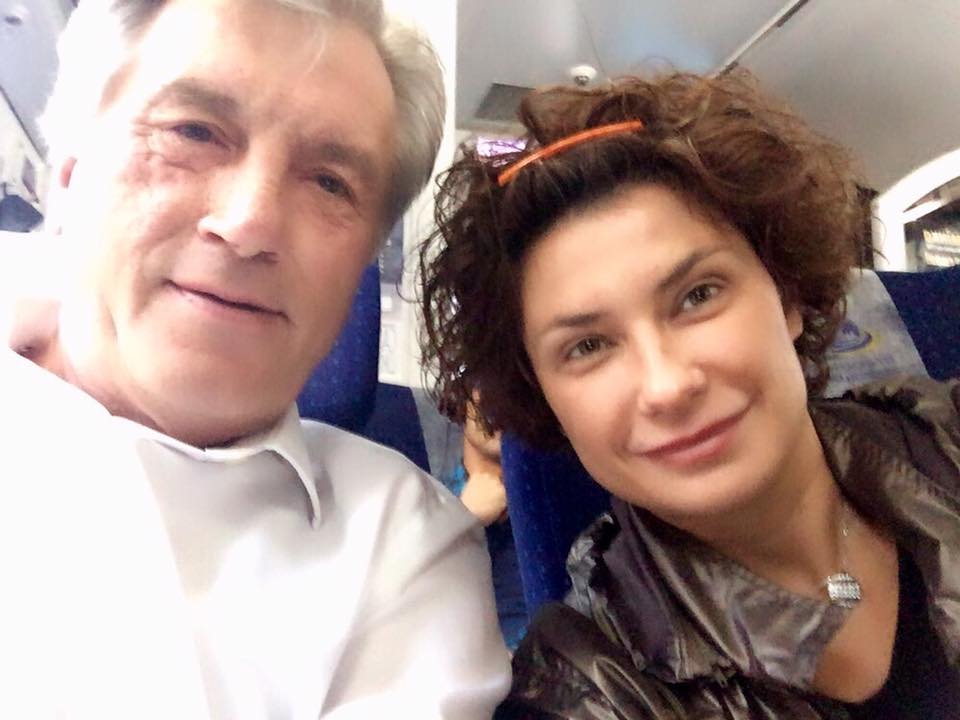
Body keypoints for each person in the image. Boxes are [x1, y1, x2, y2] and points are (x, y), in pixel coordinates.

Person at [0, 0, 511, 717]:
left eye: (329, 182)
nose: (249, 222)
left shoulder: (399, 548)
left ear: (360, 265)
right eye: (192, 132)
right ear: (70, 170)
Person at [419, 70, 960, 718]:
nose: (668, 385)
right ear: (546, 400)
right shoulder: (583, 692)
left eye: (698, 296)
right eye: (587, 346)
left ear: (787, 295)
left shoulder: (947, 433)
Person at [442, 396, 527, 650]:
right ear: (459, 395)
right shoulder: (425, 503)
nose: (500, 396)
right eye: (485, 381)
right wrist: (462, 519)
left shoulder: (572, 500)